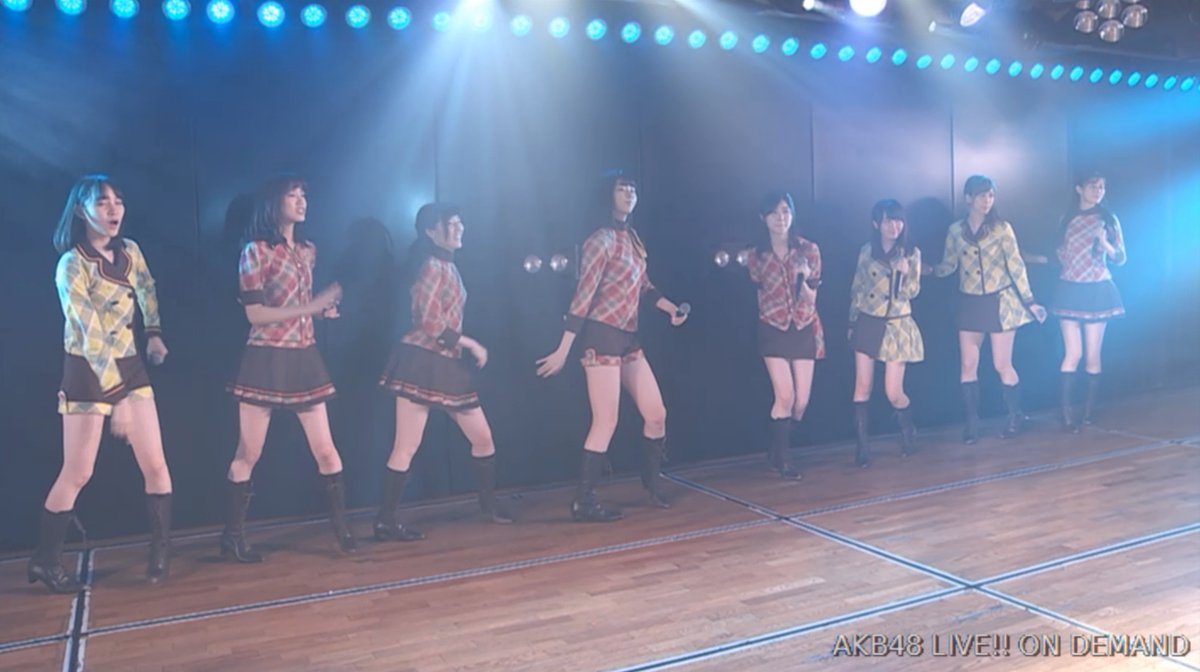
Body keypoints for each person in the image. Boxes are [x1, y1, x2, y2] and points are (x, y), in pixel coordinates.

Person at [31, 175, 173, 592]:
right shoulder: (72, 264)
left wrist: (154, 333)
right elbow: (89, 336)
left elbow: (146, 288)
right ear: (81, 211)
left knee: (156, 463)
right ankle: (45, 560)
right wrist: (119, 400)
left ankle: (161, 551)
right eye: (102, 202)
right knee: (78, 471)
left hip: (130, 364)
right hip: (88, 371)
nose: (113, 209)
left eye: (118, 201)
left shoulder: (130, 251)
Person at [536, 172, 688, 522]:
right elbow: (583, 296)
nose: (629, 193)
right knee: (606, 419)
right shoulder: (600, 240)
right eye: (622, 189)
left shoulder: (632, 239)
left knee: (656, 413)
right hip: (602, 335)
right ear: (609, 195)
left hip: (628, 336)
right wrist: (564, 347)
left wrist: (670, 308)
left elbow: (644, 286)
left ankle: (652, 482)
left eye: (633, 188)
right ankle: (584, 500)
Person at [221, 175, 354, 562]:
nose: (301, 201)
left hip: (303, 356)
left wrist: (321, 311)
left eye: (303, 195)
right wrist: (310, 307)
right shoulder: (256, 251)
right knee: (249, 451)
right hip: (265, 358)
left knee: (326, 450)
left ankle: (342, 530)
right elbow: (255, 313)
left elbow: (301, 305)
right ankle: (232, 536)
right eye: (292, 195)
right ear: (273, 203)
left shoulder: (308, 251)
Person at [375, 204, 513, 541]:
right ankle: (386, 519)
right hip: (421, 361)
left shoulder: (448, 266)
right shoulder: (430, 267)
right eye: (452, 223)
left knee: (482, 438)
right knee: (406, 445)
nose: (460, 227)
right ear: (431, 231)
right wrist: (471, 344)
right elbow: (430, 322)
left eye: (460, 222)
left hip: (445, 363)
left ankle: (488, 506)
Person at [932, 175, 1045, 444]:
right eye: (982, 195)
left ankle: (1015, 415)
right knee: (967, 365)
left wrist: (1030, 301)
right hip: (970, 302)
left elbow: (1016, 266)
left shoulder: (1002, 228)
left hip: (1000, 301)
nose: (987, 201)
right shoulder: (956, 231)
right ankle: (972, 422)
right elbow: (949, 265)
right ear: (968, 198)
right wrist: (926, 270)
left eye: (991, 195)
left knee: (1001, 363)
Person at [743, 191, 824, 479]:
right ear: (763, 217)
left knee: (801, 402)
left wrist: (804, 278)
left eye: (786, 211)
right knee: (785, 395)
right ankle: (784, 460)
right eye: (775, 213)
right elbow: (757, 289)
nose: (781, 218)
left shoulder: (808, 250)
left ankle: (776, 447)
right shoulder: (756, 255)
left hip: (803, 324)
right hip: (773, 327)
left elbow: (813, 298)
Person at [1049, 170, 1126, 431]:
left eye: (1102, 187)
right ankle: (1067, 414)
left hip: (1097, 289)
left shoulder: (1108, 219)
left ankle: (1088, 412)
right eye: (1093, 186)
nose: (1098, 191)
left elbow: (1121, 258)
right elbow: (1059, 254)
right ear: (1079, 189)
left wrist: (1105, 244)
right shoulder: (1067, 219)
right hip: (1070, 287)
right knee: (1073, 353)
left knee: (1093, 355)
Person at [848, 200, 923, 467]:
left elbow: (912, 291)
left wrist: (904, 273)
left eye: (899, 220)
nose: (894, 226)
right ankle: (862, 447)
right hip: (868, 320)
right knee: (862, 387)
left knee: (893, 391)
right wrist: (852, 322)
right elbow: (858, 288)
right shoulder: (867, 251)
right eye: (888, 220)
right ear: (876, 223)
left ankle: (908, 430)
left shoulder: (911, 253)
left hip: (897, 323)